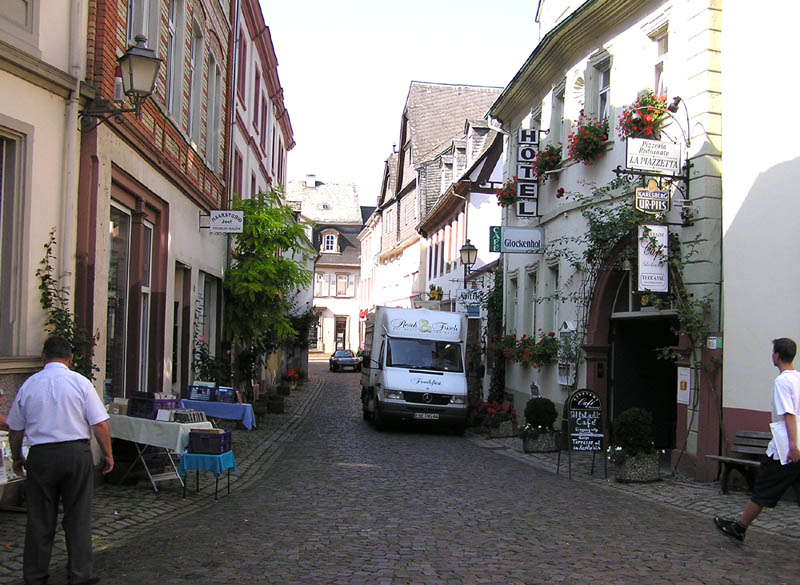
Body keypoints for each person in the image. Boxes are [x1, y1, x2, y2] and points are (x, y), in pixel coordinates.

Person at [7, 336, 114, 585]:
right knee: (78, 515)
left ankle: (35, 576)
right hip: (75, 454)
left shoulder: (30, 385)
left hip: (42, 456)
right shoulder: (80, 383)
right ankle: (80, 573)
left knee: (39, 518)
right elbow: (99, 424)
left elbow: (15, 427)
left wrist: (17, 457)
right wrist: (107, 454)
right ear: (70, 358)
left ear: (44, 357)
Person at [714, 337, 800, 543]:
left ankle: (740, 527)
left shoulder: (782, 381)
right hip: (793, 446)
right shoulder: (798, 378)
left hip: (784, 450)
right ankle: (739, 527)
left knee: (762, 490)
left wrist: (794, 446)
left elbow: (789, 415)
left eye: (773, 353)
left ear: (777, 356)